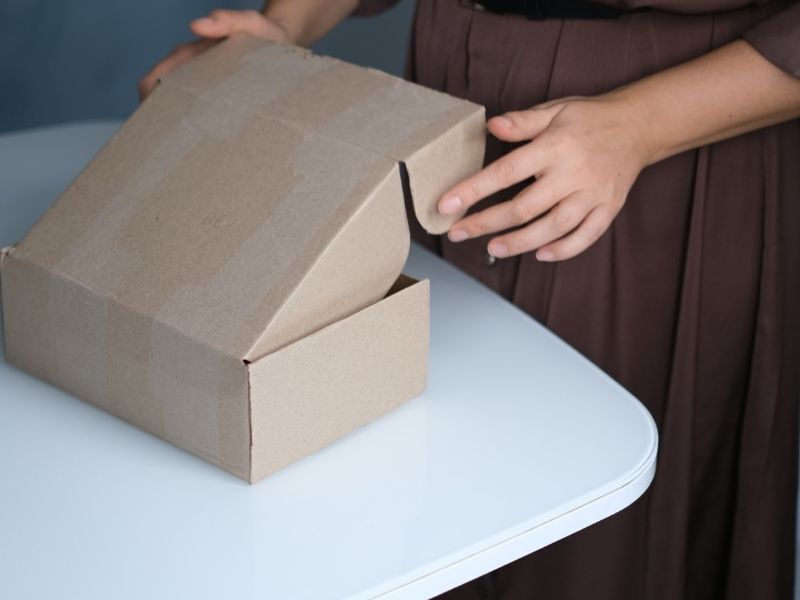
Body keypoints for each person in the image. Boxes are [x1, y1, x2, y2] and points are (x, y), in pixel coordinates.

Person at [140, 1, 800, 598]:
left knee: (586, 541)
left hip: (670, 136)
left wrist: (641, 127)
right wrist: (286, 24)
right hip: (443, 114)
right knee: (410, 498)